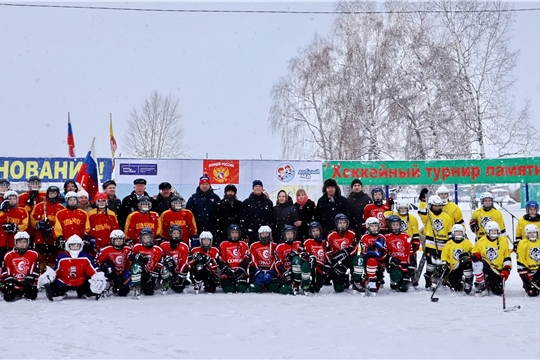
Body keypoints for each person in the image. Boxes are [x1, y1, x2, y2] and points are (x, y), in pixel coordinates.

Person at [37, 235, 107, 301]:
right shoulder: (62, 257)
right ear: (68, 246)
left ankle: (83, 292)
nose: (75, 247)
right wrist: (49, 276)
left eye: (77, 245)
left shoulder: (85, 256)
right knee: (54, 294)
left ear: (81, 246)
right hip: (65, 281)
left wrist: (98, 277)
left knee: (92, 293)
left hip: (81, 280)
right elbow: (56, 270)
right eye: (73, 245)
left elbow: (93, 269)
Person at [420, 195, 454, 289]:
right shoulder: (428, 215)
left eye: (438, 206)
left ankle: (443, 280)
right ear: (431, 206)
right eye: (435, 206)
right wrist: (422, 201)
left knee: (443, 263)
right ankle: (428, 278)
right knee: (430, 262)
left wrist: (451, 241)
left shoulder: (446, 217)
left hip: (443, 245)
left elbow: (449, 230)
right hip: (430, 243)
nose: (437, 207)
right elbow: (421, 213)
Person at [471, 221, 511, 296]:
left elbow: (507, 256)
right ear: (487, 231)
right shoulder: (482, 241)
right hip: (486, 266)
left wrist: (506, 269)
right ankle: (481, 283)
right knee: (476, 261)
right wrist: (476, 255)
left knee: (498, 291)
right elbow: (474, 252)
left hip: (497, 269)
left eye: (495, 230)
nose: (493, 232)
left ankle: (488, 281)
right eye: (491, 230)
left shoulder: (503, 241)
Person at [30, 185, 65, 271]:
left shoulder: (61, 208)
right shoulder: (40, 206)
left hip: (54, 238)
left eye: (55, 193)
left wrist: (53, 230)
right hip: (41, 238)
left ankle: (50, 274)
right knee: (40, 258)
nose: (52, 195)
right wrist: (39, 224)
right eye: (51, 193)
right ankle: (39, 274)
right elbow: (32, 220)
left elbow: (63, 224)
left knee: (52, 258)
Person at [294, 221, 331, 294]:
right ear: (310, 232)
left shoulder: (325, 242)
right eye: (313, 231)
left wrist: (327, 265)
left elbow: (329, 255)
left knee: (315, 289)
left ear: (320, 231)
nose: (316, 232)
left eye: (317, 230)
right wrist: (309, 257)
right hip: (310, 266)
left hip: (320, 267)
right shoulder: (307, 242)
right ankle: (305, 283)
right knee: (305, 266)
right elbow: (301, 252)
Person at [1, 231, 39, 301]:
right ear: (16, 243)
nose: (22, 244)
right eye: (20, 242)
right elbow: (6, 268)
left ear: (28, 242)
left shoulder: (33, 254)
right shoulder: (9, 255)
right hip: (14, 281)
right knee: (8, 297)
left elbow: (35, 268)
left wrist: (30, 278)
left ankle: (24, 291)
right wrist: (9, 278)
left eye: (24, 242)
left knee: (32, 296)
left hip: (27, 281)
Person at [353, 217, 387, 295]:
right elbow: (365, 252)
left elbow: (384, 252)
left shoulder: (382, 237)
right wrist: (372, 252)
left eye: (376, 226)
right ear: (368, 227)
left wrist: (377, 254)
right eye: (372, 226)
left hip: (378, 262)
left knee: (377, 287)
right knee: (359, 259)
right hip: (367, 261)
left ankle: (369, 281)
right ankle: (357, 282)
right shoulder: (364, 237)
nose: (374, 228)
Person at [129, 228, 165, 296]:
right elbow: (129, 257)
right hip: (142, 272)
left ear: (151, 238)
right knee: (135, 266)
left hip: (153, 273)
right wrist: (137, 257)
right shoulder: (136, 247)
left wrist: (157, 270)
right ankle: (137, 286)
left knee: (149, 292)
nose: (146, 239)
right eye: (144, 238)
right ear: (141, 238)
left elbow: (162, 260)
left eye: (148, 237)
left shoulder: (158, 249)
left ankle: (165, 284)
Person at [96, 230, 132, 297]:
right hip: (111, 272)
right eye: (117, 239)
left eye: (121, 239)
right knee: (108, 267)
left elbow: (130, 262)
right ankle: (107, 284)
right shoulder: (106, 249)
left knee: (123, 292)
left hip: (122, 274)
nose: (119, 241)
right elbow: (98, 261)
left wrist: (128, 272)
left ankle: (118, 286)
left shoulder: (128, 249)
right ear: (112, 240)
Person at [327, 214, 357, 292]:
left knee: (357, 261)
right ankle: (343, 279)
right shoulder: (331, 235)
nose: (342, 224)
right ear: (336, 223)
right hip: (337, 260)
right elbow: (327, 251)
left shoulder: (352, 233)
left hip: (350, 258)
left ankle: (356, 281)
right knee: (339, 289)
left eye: (344, 222)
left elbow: (355, 247)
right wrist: (334, 262)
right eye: (340, 222)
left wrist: (346, 253)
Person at [384, 215, 415, 292]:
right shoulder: (386, 237)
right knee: (395, 276)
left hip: (405, 264)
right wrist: (391, 260)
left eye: (397, 224)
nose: (395, 227)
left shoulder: (406, 236)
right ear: (390, 225)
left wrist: (411, 264)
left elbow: (410, 252)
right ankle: (394, 280)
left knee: (403, 288)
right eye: (393, 225)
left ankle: (403, 279)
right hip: (394, 264)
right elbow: (385, 253)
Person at [440, 224, 474, 294]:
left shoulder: (467, 243)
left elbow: (473, 251)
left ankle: (468, 280)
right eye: (457, 232)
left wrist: (469, 254)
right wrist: (445, 263)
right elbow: (444, 255)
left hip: (464, 266)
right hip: (454, 268)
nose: (458, 233)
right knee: (456, 287)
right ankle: (451, 281)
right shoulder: (449, 244)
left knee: (465, 261)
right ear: (453, 233)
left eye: (460, 232)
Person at [219, 224, 250, 293]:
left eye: (236, 232)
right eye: (232, 232)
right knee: (229, 289)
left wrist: (241, 269)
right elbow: (221, 260)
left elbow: (246, 258)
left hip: (240, 272)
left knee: (241, 289)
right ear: (229, 233)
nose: (234, 234)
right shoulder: (223, 244)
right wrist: (227, 269)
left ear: (239, 234)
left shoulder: (243, 244)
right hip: (228, 272)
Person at [159, 225, 190, 293]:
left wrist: (180, 275)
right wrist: (166, 261)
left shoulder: (184, 246)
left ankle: (176, 281)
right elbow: (159, 260)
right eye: (174, 233)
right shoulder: (163, 245)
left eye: (177, 233)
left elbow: (185, 262)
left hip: (178, 271)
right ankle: (166, 281)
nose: (176, 235)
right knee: (168, 261)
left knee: (178, 289)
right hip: (168, 269)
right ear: (170, 234)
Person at [273, 225, 303, 295]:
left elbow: (305, 255)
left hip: (297, 271)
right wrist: (284, 273)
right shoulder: (279, 246)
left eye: (291, 233)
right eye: (288, 234)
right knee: (284, 289)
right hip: (286, 271)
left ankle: (301, 284)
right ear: (284, 235)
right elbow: (277, 262)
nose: (290, 236)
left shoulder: (298, 244)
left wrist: (297, 253)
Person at [0, 191, 29, 261]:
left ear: (17, 200)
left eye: (14, 198)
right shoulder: (3, 211)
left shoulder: (22, 211)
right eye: (10, 199)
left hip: (16, 242)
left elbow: (25, 225)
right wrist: (2, 211)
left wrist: (16, 227)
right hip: (2, 241)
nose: (12, 200)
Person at [248, 226, 278, 293]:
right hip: (259, 270)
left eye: (266, 233)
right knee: (254, 288)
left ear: (270, 234)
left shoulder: (275, 245)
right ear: (259, 235)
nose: (264, 235)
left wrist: (271, 272)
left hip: (271, 271)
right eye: (262, 234)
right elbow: (253, 260)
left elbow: (275, 260)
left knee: (275, 288)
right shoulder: (254, 245)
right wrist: (258, 272)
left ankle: (268, 284)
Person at [516, 224, 540, 296]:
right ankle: (527, 285)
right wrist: (525, 275)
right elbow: (521, 260)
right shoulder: (523, 243)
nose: (532, 235)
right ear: (526, 234)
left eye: (534, 232)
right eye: (530, 233)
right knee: (533, 293)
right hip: (530, 273)